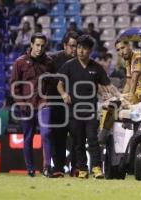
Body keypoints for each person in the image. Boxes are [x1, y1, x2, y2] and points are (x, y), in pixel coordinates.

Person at [57, 35, 117, 179]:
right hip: (74, 111)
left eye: (84, 48)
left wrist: (118, 96)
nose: (80, 51)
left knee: (92, 140)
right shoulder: (69, 65)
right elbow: (60, 83)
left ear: (90, 50)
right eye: (78, 47)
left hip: (90, 111)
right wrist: (64, 94)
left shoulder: (97, 68)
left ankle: (96, 168)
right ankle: (82, 169)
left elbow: (108, 85)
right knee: (77, 142)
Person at [10, 33, 56, 178]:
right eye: (37, 45)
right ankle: (30, 169)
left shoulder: (49, 62)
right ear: (31, 44)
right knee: (28, 138)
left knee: (46, 133)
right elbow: (14, 86)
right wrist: (22, 104)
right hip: (26, 106)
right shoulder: (20, 62)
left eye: (42, 46)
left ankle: (47, 167)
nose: (40, 48)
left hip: (44, 103)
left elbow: (54, 81)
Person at [47, 31, 79, 177]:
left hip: (75, 105)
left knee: (77, 137)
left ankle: (76, 168)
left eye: (76, 46)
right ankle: (58, 168)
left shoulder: (81, 60)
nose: (74, 49)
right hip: (57, 104)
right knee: (58, 137)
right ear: (64, 45)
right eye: (72, 46)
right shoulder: (54, 60)